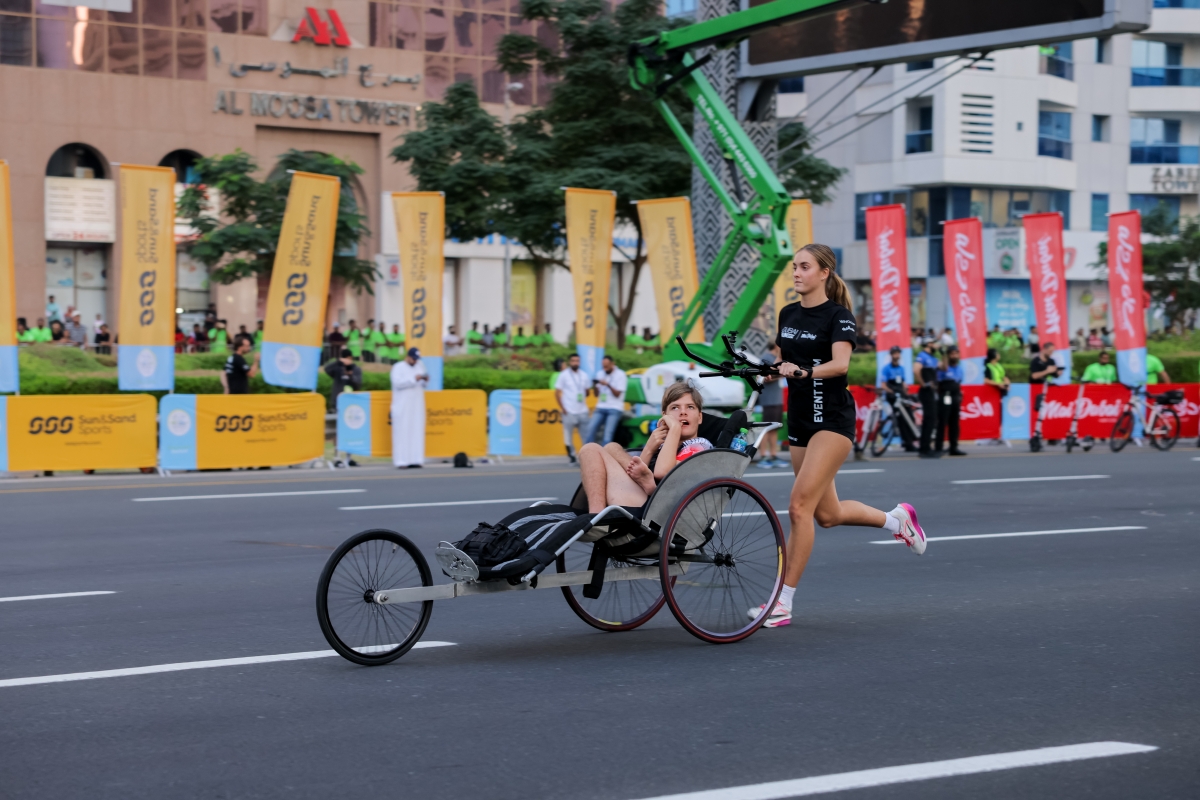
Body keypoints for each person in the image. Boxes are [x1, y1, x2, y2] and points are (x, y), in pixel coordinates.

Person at [751, 243, 927, 629]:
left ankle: (782, 602)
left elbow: (840, 364)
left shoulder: (839, 316)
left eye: (804, 267)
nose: (796, 273)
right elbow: (784, 361)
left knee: (799, 507)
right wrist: (767, 371)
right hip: (801, 420)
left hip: (832, 421)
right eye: (794, 267)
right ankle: (897, 521)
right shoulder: (788, 313)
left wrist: (803, 373)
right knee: (826, 515)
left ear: (824, 272)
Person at [577, 381, 714, 512]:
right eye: (675, 407)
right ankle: (643, 487)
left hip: (658, 508)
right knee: (612, 447)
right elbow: (636, 472)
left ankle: (595, 514)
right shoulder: (664, 446)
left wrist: (675, 429)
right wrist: (649, 448)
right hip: (642, 496)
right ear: (664, 416)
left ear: (699, 417)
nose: (683, 412)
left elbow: (663, 473)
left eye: (690, 407)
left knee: (590, 449)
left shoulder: (699, 446)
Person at [390, 347, 428, 468]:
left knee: (416, 431)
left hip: (416, 406)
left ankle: (416, 459)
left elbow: (423, 384)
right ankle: (401, 461)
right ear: (408, 356)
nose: (415, 361)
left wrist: (424, 380)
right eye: (413, 359)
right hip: (402, 406)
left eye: (417, 359)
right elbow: (397, 383)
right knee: (402, 432)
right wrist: (413, 379)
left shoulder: (420, 366)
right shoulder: (398, 367)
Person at [554, 352, 592, 464]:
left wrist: (585, 391)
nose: (575, 363)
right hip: (569, 410)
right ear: (569, 362)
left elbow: (587, 392)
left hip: (582, 410)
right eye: (573, 361)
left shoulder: (584, 375)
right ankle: (572, 456)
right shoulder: (564, 375)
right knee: (568, 436)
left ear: (580, 362)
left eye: (577, 361)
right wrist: (563, 408)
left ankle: (587, 458)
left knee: (586, 436)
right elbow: (557, 393)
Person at [879, 345, 916, 452]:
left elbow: (903, 383)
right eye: (895, 353)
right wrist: (892, 392)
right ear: (891, 355)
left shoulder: (901, 368)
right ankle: (908, 443)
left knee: (910, 416)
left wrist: (906, 394)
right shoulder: (886, 368)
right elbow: (883, 385)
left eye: (898, 353)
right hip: (892, 396)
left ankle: (910, 440)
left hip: (901, 395)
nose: (897, 355)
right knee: (902, 419)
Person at [584, 355, 626, 446]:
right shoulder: (600, 373)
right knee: (590, 428)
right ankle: (588, 451)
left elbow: (617, 394)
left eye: (607, 366)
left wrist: (608, 384)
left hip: (614, 408)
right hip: (601, 406)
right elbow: (596, 395)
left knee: (607, 434)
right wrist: (595, 385)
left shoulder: (621, 374)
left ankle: (605, 453)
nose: (605, 368)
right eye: (603, 366)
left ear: (612, 364)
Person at [757, 341, 787, 466]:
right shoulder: (766, 358)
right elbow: (762, 377)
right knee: (766, 428)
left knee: (774, 428)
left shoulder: (775, 358)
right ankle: (763, 456)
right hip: (769, 400)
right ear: (775, 345)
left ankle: (773, 455)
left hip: (776, 399)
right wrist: (783, 374)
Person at [936, 345, 967, 456]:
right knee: (943, 421)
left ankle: (953, 447)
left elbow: (959, 382)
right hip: (946, 395)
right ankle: (938, 447)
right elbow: (939, 381)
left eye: (956, 353)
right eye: (952, 354)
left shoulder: (959, 368)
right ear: (948, 355)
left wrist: (959, 395)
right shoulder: (944, 367)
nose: (954, 356)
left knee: (954, 422)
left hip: (955, 396)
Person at [916, 338, 942, 458]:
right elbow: (916, 370)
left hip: (932, 392)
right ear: (929, 344)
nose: (936, 345)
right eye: (934, 343)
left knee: (931, 419)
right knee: (929, 419)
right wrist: (923, 384)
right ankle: (924, 448)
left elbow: (944, 367)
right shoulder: (922, 356)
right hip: (926, 392)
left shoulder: (933, 358)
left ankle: (925, 447)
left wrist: (943, 353)